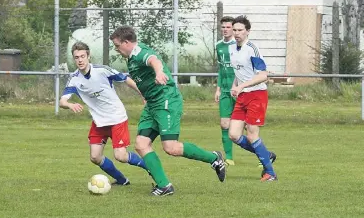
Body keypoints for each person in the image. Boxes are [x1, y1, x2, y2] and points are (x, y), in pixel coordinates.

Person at [109, 26, 226, 196]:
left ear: (126, 42)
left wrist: (159, 72)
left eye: (117, 45)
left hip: (166, 101)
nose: (117, 49)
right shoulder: (131, 57)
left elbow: (154, 60)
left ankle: (214, 158)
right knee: (141, 145)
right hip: (152, 104)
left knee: (170, 147)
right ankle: (164, 186)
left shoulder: (140, 52)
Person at [60, 42, 150, 185]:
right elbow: (62, 102)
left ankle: (150, 166)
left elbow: (126, 80)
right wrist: (70, 105)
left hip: (116, 117)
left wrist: (143, 95)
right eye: (76, 57)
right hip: (99, 122)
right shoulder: (75, 79)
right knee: (95, 157)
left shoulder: (102, 70)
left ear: (88, 56)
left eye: (82, 56)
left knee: (121, 155)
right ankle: (122, 180)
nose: (80, 60)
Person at [226, 15, 277, 182]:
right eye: (234, 30)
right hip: (242, 95)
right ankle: (265, 154)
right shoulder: (231, 48)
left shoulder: (252, 49)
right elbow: (238, 73)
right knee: (233, 134)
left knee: (252, 135)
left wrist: (242, 86)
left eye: (240, 30)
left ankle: (270, 173)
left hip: (257, 95)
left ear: (248, 31)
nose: (237, 33)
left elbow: (263, 76)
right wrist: (236, 85)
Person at [214, 16, 237, 166]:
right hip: (225, 91)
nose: (225, 30)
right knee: (224, 124)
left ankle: (262, 156)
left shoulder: (239, 45)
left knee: (248, 126)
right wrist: (218, 89)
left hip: (240, 90)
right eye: (223, 27)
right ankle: (229, 158)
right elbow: (221, 69)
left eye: (228, 27)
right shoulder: (219, 45)